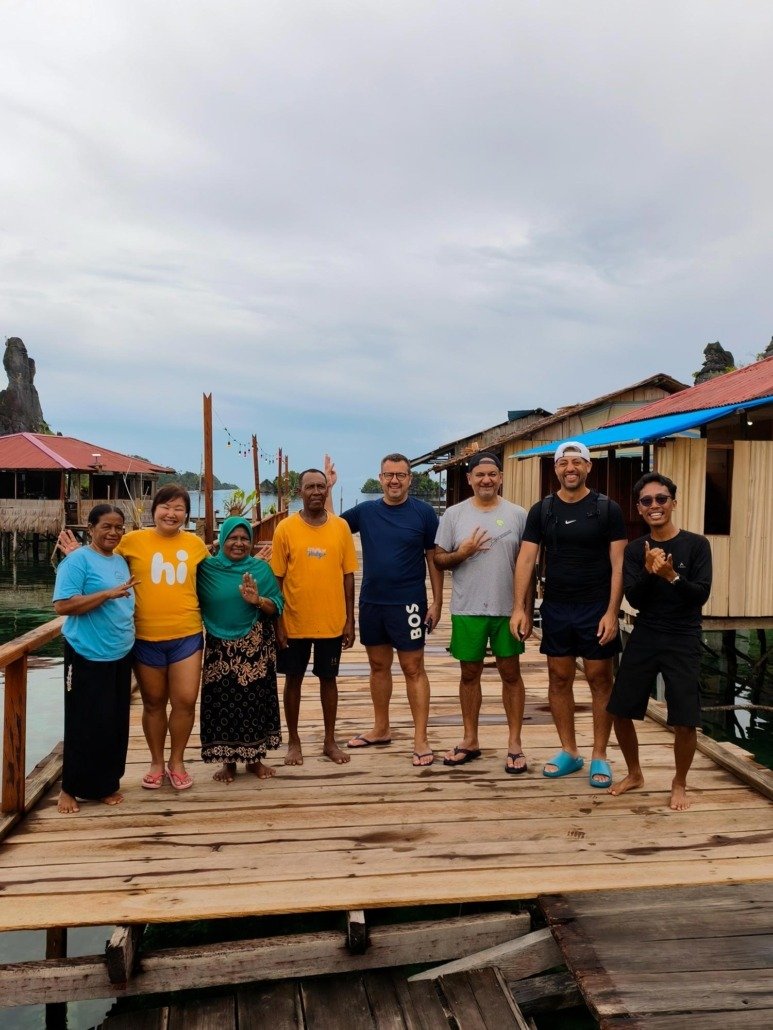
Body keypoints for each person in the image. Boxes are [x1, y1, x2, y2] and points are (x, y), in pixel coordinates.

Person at [511, 441, 627, 787]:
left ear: (588, 467)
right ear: (556, 469)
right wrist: (520, 608)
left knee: (599, 679)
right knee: (559, 677)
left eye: (577, 462)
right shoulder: (543, 510)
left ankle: (599, 754)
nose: (570, 468)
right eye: (564, 463)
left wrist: (612, 611)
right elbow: (526, 560)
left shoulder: (607, 509)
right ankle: (569, 750)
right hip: (557, 606)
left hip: (596, 607)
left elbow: (619, 564)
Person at [327, 453, 444, 767]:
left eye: (400, 475)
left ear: (409, 479)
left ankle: (421, 738)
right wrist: (329, 489)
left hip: (409, 603)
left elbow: (433, 559)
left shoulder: (423, 513)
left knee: (413, 668)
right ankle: (381, 728)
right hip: (372, 602)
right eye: (389, 475)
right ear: (380, 478)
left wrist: (437, 601)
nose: (394, 480)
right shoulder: (366, 512)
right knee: (378, 667)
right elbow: (331, 527)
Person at [607, 473, 712, 811]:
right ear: (639, 508)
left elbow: (700, 595)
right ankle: (634, 773)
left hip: (683, 635)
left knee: (685, 718)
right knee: (620, 709)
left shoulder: (696, 545)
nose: (655, 505)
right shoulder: (636, 549)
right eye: (647, 501)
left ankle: (679, 781)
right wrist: (650, 574)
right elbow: (635, 599)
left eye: (661, 499)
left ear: (673, 503)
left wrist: (671, 576)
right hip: (646, 632)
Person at [434, 454, 530, 773]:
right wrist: (462, 553)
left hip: (507, 609)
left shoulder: (517, 514)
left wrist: (525, 609)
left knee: (511, 674)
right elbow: (438, 560)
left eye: (491, 474)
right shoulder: (454, 515)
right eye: (479, 475)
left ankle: (514, 743)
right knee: (469, 674)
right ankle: (470, 739)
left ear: (500, 477)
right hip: (468, 608)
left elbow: (527, 565)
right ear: (469, 479)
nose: (486, 479)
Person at [270, 468, 358, 766]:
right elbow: (276, 579)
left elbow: (348, 575)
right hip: (294, 621)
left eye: (322, 486)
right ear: (300, 492)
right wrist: (279, 622)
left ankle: (330, 740)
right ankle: (293, 741)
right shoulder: (285, 529)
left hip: (331, 622)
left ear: (327, 490)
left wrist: (350, 620)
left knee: (328, 679)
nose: (317, 492)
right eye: (310, 487)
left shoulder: (341, 527)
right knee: (292, 679)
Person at [53, 505, 137, 814]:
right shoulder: (77, 561)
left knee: (113, 722)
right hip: (87, 652)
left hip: (120, 652)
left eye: (119, 527)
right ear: (91, 529)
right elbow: (62, 605)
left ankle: (105, 785)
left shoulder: (119, 561)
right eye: (106, 526)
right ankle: (70, 788)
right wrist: (106, 595)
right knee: (83, 722)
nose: (113, 532)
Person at [197, 516, 284, 783]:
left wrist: (258, 600)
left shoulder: (260, 569)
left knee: (254, 701)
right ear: (221, 540)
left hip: (254, 644)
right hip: (218, 646)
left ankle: (255, 760)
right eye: (232, 538)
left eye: (245, 538)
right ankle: (229, 763)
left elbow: (277, 605)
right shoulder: (206, 569)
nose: (239, 543)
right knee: (222, 702)